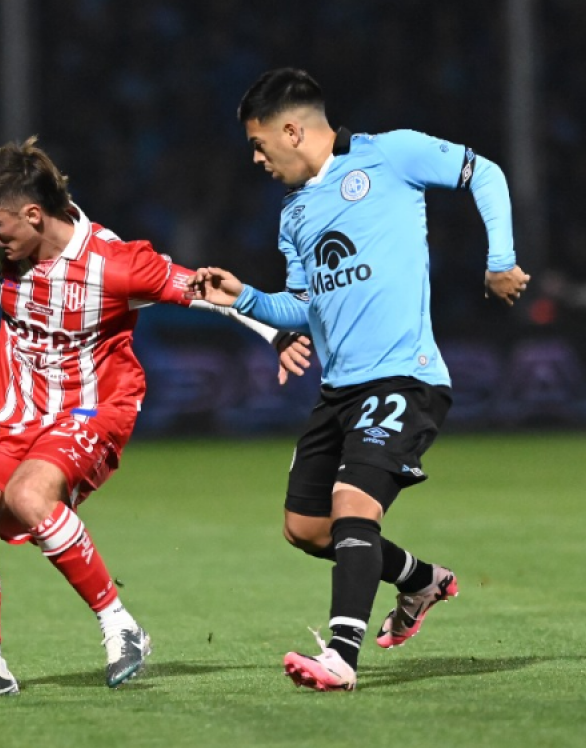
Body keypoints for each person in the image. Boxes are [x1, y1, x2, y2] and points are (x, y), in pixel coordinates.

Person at [187, 68, 531, 691]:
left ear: (292, 129)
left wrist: (499, 260)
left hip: (405, 378)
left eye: (259, 145)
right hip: (339, 391)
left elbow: (486, 172)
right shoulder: (294, 214)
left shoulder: (390, 153)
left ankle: (340, 657)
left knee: (353, 507)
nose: (258, 160)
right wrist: (243, 297)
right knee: (307, 528)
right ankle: (421, 580)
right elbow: (301, 305)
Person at [0, 136, 305, 700]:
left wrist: (275, 332)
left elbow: (207, 292)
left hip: (93, 407)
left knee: (30, 497)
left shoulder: (114, 265)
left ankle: (120, 624)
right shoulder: (4, 250)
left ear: (34, 214)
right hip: (14, 415)